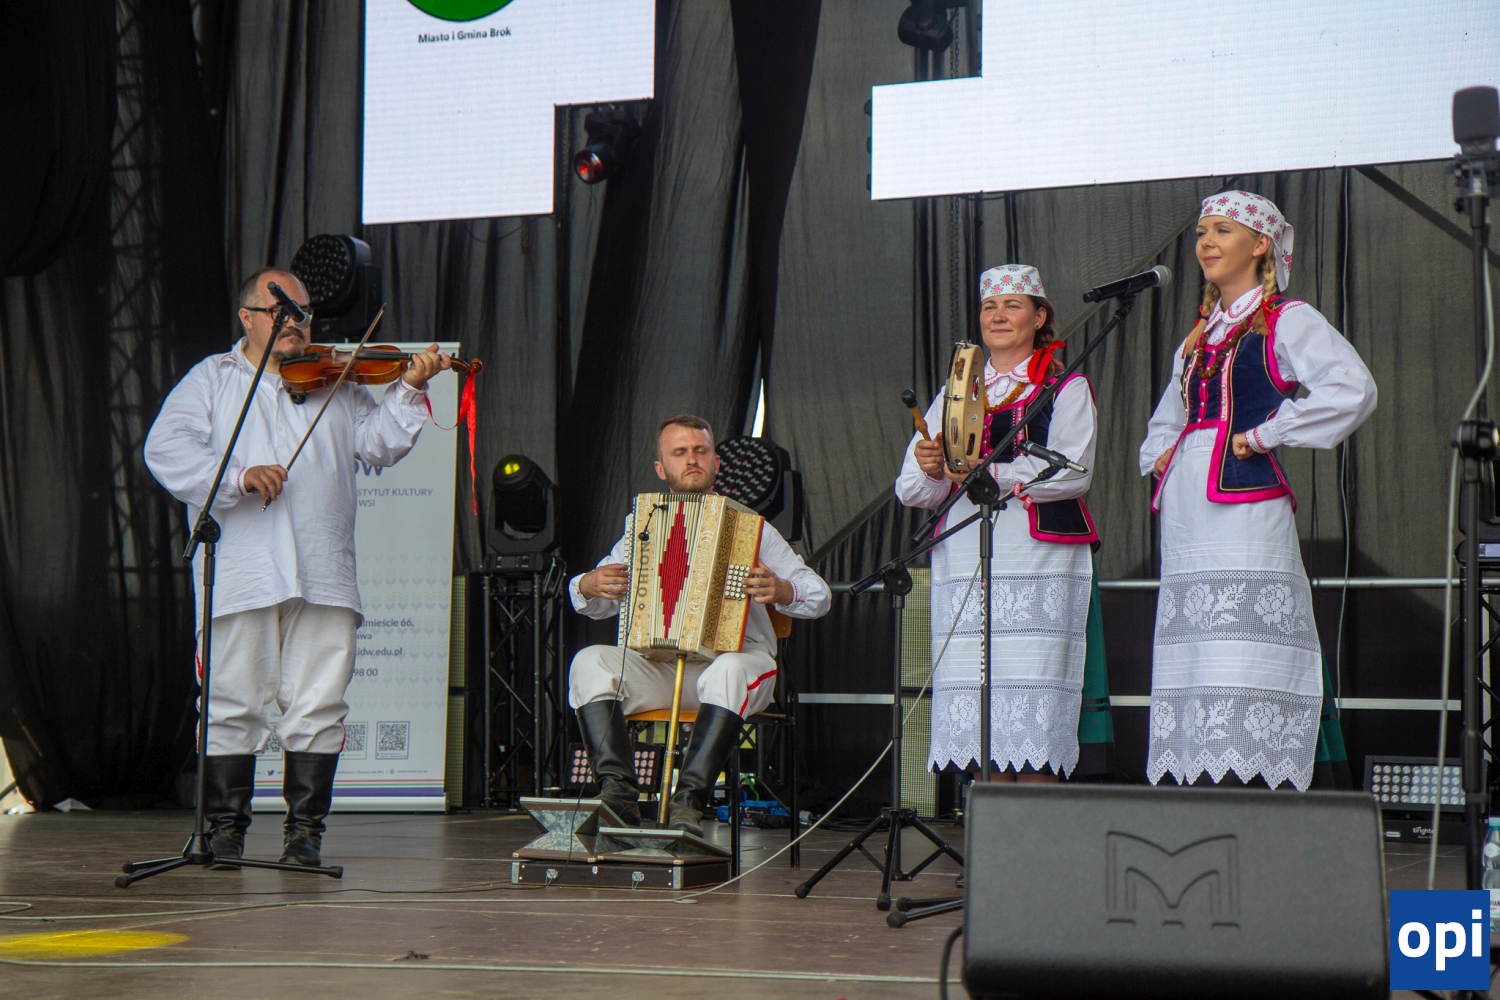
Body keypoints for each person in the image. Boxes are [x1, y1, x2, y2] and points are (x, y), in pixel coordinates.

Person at [144, 268, 453, 866]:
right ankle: (225, 832)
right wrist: (238, 477)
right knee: (231, 701)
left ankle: (304, 836)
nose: (296, 322)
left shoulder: (335, 381)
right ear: (248, 318)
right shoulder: (212, 378)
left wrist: (409, 388)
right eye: (281, 311)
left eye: (303, 312)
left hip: (323, 568)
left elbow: (380, 443)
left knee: (319, 704)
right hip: (243, 572)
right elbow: (166, 448)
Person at [1139, 190, 1376, 791]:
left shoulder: (1285, 318)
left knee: (1243, 643)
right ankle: (1203, 776)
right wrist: (1163, 453)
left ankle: (1253, 779)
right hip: (1189, 511)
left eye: (1223, 230)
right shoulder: (1198, 336)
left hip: (1244, 507)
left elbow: (1352, 387)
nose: (1207, 242)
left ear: (1260, 244)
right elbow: (1168, 418)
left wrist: (1267, 432)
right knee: (1198, 646)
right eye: (1202, 232)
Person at [568, 415, 830, 834]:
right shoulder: (642, 526)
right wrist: (588, 583)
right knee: (589, 662)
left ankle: (688, 802)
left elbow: (819, 594)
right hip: (664, 669)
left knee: (727, 669)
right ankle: (618, 795)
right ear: (661, 469)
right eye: (680, 452)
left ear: (716, 462)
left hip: (739, 665)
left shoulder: (750, 527)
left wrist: (782, 589)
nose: (691, 459)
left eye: (700, 450)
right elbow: (597, 603)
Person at [896, 264, 1098, 782]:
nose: (999, 315)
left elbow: (1072, 472)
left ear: (1039, 317)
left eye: (1013, 305)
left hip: (1037, 552)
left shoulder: (1064, 384)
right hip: (967, 549)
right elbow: (912, 490)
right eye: (990, 306)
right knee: (977, 693)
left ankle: (1033, 828)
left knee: (1031, 692)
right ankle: (991, 828)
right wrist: (931, 467)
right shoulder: (955, 393)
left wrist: (988, 471)